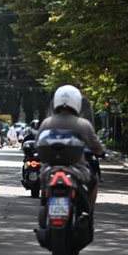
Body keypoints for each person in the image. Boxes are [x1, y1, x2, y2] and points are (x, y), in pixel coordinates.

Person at [37, 84, 104, 212]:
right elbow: (96, 146)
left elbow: (37, 145)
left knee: (45, 186)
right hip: (77, 170)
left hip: (49, 169)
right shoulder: (83, 124)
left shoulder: (47, 123)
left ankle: (45, 206)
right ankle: (88, 212)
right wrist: (100, 152)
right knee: (94, 182)